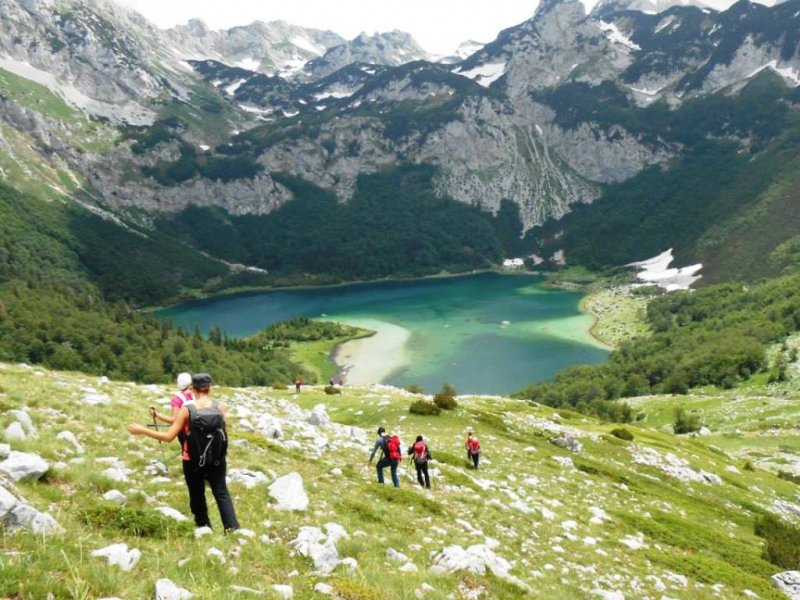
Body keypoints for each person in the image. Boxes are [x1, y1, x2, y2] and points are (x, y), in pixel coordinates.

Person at [129, 373, 240, 532]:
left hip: (192, 459)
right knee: (221, 492)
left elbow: (168, 437)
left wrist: (143, 430)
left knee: (197, 494)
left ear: (193, 389)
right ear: (210, 388)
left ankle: (204, 527)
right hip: (217, 459)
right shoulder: (220, 408)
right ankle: (232, 529)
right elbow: (223, 433)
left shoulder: (187, 410)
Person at [150, 372, 194, 447]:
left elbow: (173, 420)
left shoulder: (177, 399)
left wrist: (156, 414)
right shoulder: (196, 394)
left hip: (184, 433)